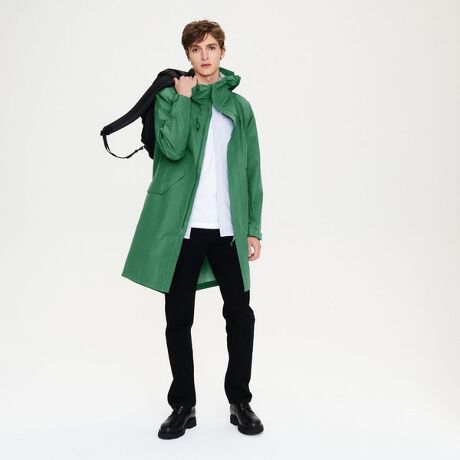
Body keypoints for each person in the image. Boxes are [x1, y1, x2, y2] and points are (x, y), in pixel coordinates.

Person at [124, 19, 264, 439]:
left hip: (228, 230)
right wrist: (184, 99)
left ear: (222, 51)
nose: (204, 55)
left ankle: (240, 401)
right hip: (183, 230)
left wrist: (253, 228)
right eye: (196, 49)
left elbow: (252, 169)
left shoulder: (239, 108)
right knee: (178, 318)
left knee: (240, 316)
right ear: (187, 55)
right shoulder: (171, 97)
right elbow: (170, 148)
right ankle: (183, 405)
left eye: (211, 48)